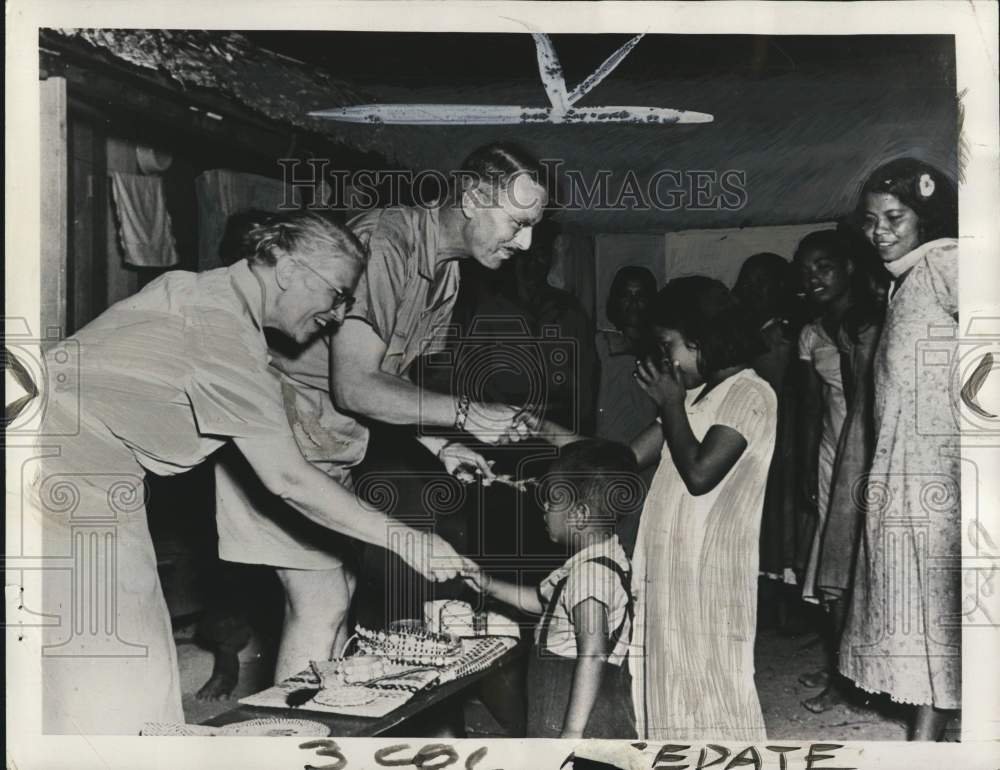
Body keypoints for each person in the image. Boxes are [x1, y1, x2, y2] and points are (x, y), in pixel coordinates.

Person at [35, 211, 465, 735]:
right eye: (336, 294)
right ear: (287, 270)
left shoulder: (203, 293)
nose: (337, 316)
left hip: (72, 469)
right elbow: (288, 479)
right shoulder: (225, 335)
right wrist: (406, 540)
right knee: (124, 688)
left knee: (96, 671)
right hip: (64, 476)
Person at [329, 142, 550, 631]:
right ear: (471, 200)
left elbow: (392, 380)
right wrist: (467, 415)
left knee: (334, 598)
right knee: (321, 601)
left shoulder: (448, 274)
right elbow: (354, 385)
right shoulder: (387, 239)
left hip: (331, 445)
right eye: (519, 223)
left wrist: (438, 443)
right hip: (284, 433)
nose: (526, 244)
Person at [838, 157, 960, 741]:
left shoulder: (944, 261)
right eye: (869, 220)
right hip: (905, 465)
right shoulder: (904, 279)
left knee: (938, 600)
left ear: (926, 218)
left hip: (938, 465)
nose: (879, 231)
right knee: (917, 600)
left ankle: (932, 732)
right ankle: (930, 724)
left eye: (894, 217)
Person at [629, 277, 776, 741]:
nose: (665, 358)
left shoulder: (751, 394)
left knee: (714, 683)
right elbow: (630, 457)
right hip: (670, 564)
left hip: (711, 571)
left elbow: (699, 474)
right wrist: (546, 436)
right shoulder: (695, 396)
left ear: (700, 338)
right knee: (669, 676)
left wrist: (671, 403)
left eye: (668, 344)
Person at [461, 439, 639, 739]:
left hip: (579, 712)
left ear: (579, 516)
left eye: (553, 500)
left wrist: (571, 732)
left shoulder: (591, 575)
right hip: (560, 701)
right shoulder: (592, 563)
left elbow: (593, 653)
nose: (544, 506)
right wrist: (488, 584)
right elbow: (542, 602)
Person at [804, 226, 888, 713]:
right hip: (838, 454)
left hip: (867, 456)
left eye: (825, 266)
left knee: (863, 567)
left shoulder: (868, 323)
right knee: (834, 567)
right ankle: (843, 677)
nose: (813, 278)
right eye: (807, 270)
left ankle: (863, 676)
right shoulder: (823, 327)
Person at [732, 253, 801, 610]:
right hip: (751, 436)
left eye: (765, 283)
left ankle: (783, 600)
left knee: (778, 516)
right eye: (750, 282)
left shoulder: (783, 333)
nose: (756, 291)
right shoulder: (746, 332)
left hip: (779, 435)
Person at [595, 266, 658, 555]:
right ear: (613, 303)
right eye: (626, 295)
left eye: (641, 296)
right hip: (608, 459)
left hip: (650, 465)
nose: (633, 304)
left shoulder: (664, 351)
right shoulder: (598, 345)